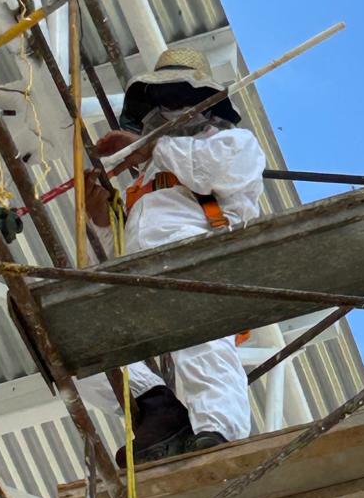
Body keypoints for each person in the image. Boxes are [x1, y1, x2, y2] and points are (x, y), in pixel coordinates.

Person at [79, 47, 266, 465]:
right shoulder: (144, 186)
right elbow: (127, 245)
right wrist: (102, 218)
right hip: (142, 274)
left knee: (201, 346)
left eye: (179, 100)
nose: (166, 114)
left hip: (196, 257)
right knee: (82, 349)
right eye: (159, 105)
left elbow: (220, 171)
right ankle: (157, 405)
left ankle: (219, 432)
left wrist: (151, 149)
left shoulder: (231, 144)